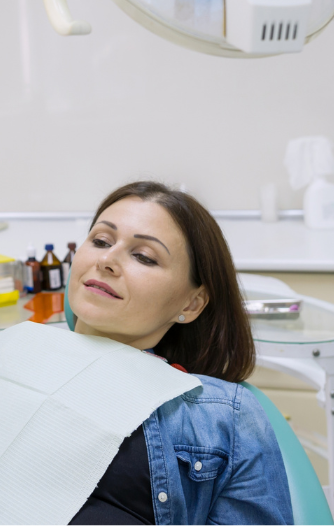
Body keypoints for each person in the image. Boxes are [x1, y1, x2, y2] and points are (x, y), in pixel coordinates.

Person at [63, 181, 293, 525]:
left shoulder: (225, 418)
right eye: (100, 241)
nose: (107, 260)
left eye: (143, 256)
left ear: (191, 303)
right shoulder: (2, 364)